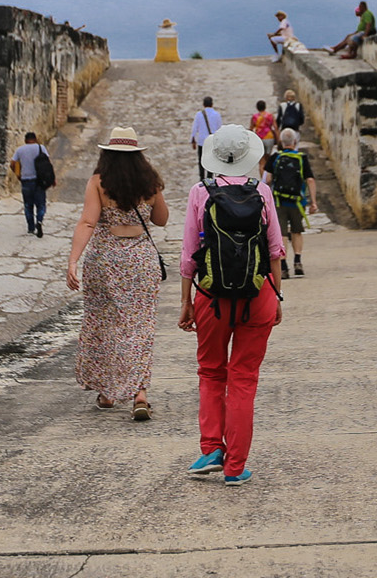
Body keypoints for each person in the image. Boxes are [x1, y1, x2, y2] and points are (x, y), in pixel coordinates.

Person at [181, 125, 287, 487]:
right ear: (248, 157)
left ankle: (211, 448)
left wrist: (186, 302)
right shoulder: (263, 192)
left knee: (211, 372)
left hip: (211, 297)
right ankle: (235, 466)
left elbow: (188, 257)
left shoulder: (200, 192)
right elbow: (275, 251)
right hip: (257, 295)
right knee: (243, 379)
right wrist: (278, 296)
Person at [66, 126, 169, 417]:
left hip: (105, 262)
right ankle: (140, 394)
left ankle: (108, 394)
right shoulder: (150, 182)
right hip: (140, 262)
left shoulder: (98, 182)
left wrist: (73, 261)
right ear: (138, 155)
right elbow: (161, 220)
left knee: (104, 326)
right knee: (139, 328)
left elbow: (87, 223)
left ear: (108, 153)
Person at [266, 128, 317, 279]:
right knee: (296, 231)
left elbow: (268, 180)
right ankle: (297, 262)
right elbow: (310, 180)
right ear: (295, 142)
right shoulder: (302, 158)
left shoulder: (275, 157)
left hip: (279, 201)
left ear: (281, 142)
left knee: (282, 234)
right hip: (297, 202)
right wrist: (313, 202)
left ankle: (283, 267)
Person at [10, 133, 51, 237]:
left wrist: (18, 174)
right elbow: (47, 163)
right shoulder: (41, 147)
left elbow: (12, 164)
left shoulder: (20, 150)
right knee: (41, 204)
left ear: (25, 140)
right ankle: (39, 221)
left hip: (26, 180)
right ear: (35, 139)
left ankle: (31, 228)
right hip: (39, 181)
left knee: (28, 206)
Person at [190, 96, 222, 181]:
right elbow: (219, 129)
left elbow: (195, 128)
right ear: (212, 104)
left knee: (201, 159)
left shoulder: (199, 114)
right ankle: (209, 178)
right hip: (212, 141)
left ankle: (201, 178)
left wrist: (193, 140)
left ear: (203, 104)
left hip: (202, 141)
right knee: (211, 159)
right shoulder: (217, 115)